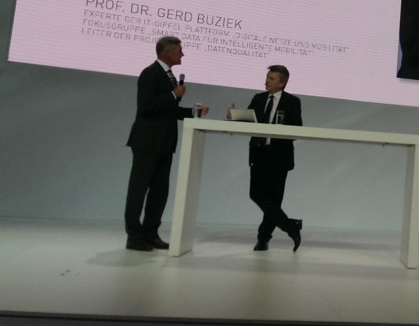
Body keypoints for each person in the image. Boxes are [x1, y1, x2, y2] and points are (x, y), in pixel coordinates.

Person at [124, 36, 209, 251]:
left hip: (164, 143)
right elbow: (146, 106)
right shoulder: (150, 73)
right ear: (166, 52)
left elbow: (169, 111)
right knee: (138, 190)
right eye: (179, 50)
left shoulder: (168, 76)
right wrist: (173, 94)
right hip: (147, 142)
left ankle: (150, 233)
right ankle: (134, 236)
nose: (183, 54)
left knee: (159, 192)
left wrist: (193, 112)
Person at [228, 65, 303, 252]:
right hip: (259, 153)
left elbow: (297, 129)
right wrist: (234, 117)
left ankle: (263, 239)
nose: (267, 81)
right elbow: (248, 122)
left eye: (271, 78)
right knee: (256, 194)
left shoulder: (293, 102)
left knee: (274, 200)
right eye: (267, 77)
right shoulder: (259, 98)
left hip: (280, 157)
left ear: (282, 83)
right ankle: (291, 226)